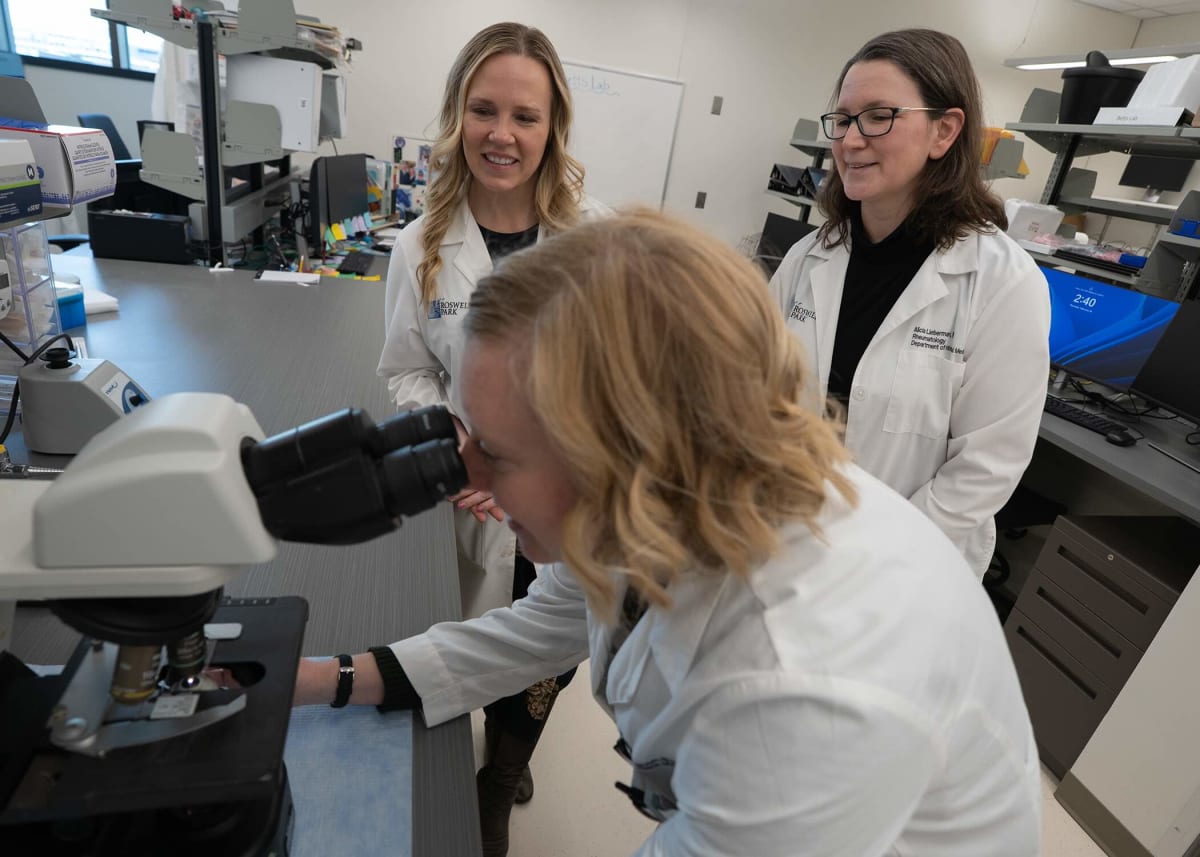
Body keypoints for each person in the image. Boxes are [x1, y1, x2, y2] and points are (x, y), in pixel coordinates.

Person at [297, 210, 1042, 856]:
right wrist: (322, 678)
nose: (470, 477)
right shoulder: (663, 499)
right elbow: (528, 632)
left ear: (622, 451)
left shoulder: (803, 681)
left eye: (494, 448)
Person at [373, 21, 607, 856]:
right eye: (483, 110)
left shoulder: (592, 241)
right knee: (479, 631)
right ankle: (480, 746)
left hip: (568, 492)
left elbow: (615, 381)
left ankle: (500, 779)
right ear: (457, 116)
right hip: (469, 488)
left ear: (553, 131)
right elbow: (404, 369)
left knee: (552, 643)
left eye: (525, 116)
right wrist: (458, 437)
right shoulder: (422, 246)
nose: (501, 134)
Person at [769, 29, 1051, 579]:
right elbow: (758, 397)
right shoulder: (808, 258)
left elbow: (986, 468)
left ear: (944, 131)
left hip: (907, 572)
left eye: (879, 116)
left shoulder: (1001, 281)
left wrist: (874, 561)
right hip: (787, 543)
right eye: (844, 120)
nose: (851, 140)